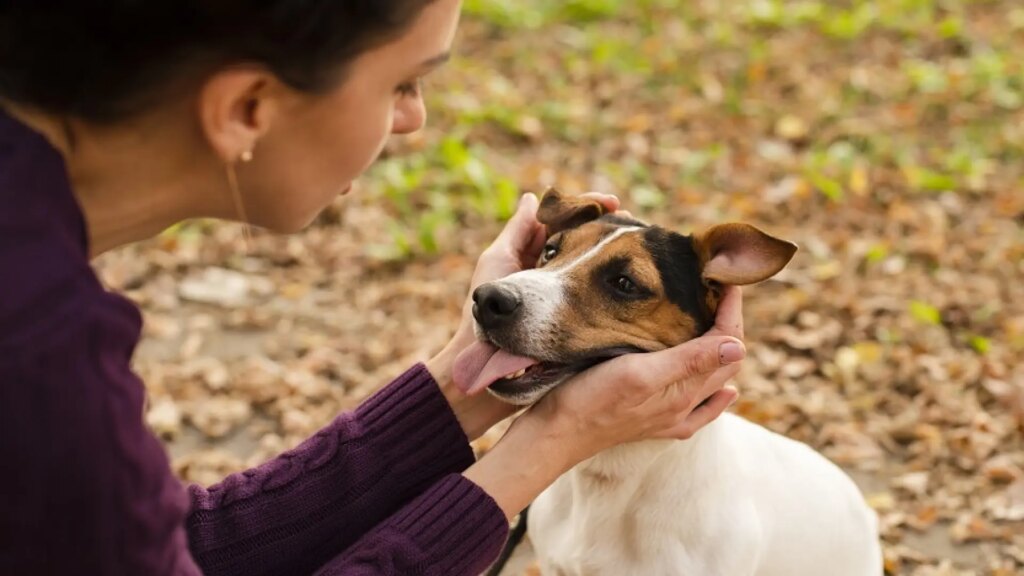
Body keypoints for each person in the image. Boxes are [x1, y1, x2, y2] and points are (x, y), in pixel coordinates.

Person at [0, 1, 747, 574]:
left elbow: (177, 548)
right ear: (246, 109)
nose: (415, 121)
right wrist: (547, 448)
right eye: (403, 82)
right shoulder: (44, 366)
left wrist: (464, 382)